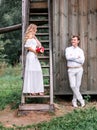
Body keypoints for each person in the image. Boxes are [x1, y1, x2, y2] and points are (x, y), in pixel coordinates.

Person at [23, 24, 44, 96]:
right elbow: (27, 47)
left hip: (35, 56)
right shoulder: (29, 36)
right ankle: (31, 90)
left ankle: (38, 89)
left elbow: (39, 44)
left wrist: (39, 49)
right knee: (31, 71)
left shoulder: (34, 37)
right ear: (33, 29)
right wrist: (35, 51)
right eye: (36, 29)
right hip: (31, 56)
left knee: (38, 71)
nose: (37, 30)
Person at [65, 35, 85, 107]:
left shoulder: (80, 50)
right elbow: (68, 58)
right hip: (71, 69)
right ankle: (81, 100)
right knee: (73, 85)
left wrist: (72, 57)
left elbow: (82, 61)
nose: (73, 41)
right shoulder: (68, 49)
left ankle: (74, 101)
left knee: (77, 86)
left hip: (79, 69)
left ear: (78, 41)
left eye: (75, 40)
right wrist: (77, 57)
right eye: (72, 40)